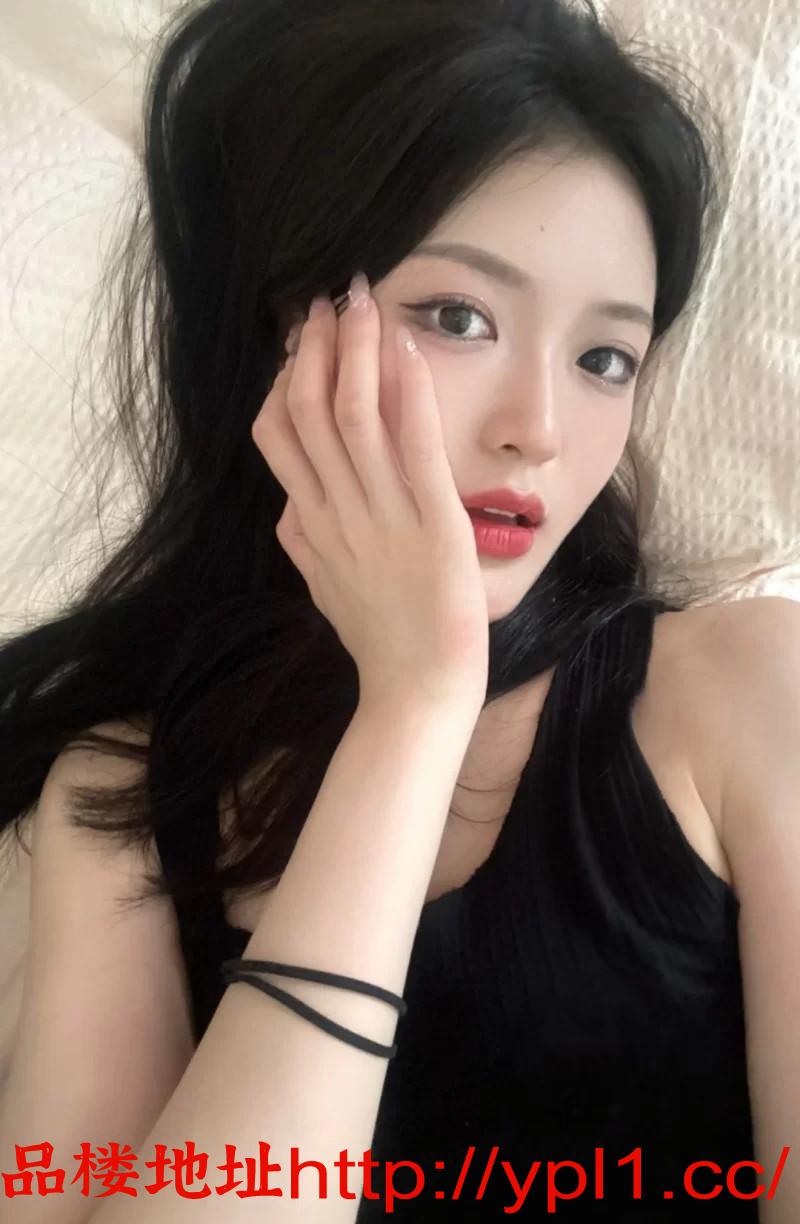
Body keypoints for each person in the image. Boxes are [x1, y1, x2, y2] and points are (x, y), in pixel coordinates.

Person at [1, 0, 798, 1220]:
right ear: (277, 332)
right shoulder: (122, 800)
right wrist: (413, 711)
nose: (538, 428)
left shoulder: (744, 689)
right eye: (457, 317)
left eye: (604, 358)